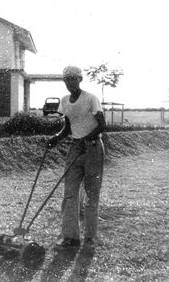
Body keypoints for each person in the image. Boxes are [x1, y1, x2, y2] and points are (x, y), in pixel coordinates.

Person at [47, 65, 106, 250]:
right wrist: (56, 138)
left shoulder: (90, 98)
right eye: (67, 79)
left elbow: (102, 125)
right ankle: (70, 237)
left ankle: (90, 238)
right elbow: (67, 127)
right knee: (70, 193)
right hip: (75, 148)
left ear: (80, 79)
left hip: (93, 148)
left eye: (74, 78)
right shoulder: (64, 101)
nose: (70, 82)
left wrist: (87, 138)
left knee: (91, 193)